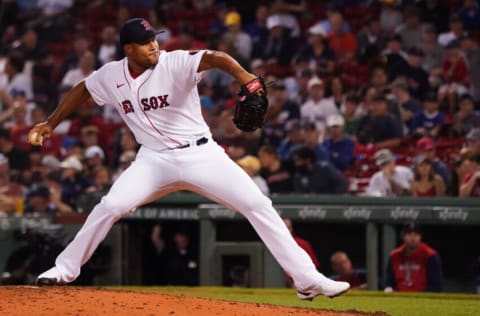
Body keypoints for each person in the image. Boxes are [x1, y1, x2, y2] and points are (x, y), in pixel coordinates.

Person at [28, 18, 349, 299]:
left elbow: (215, 57)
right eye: (144, 42)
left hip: (201, 155)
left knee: (258, 205)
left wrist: (246, 77)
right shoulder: (112, 75)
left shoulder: (174, 62)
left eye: (154, 38)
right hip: (153, 161)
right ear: (128, 49)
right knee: (110, 206)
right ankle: (63, 269)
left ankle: (307, 280)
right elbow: (82, 88)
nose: (153, 45)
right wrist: (50, 123)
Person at [385, 222, 443, 292]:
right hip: (399, 298)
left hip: (422, 299)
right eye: (409, 234)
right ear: (403, 236)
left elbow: (436, 286)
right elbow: (388, 282)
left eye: (416, 234)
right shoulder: (395, 255)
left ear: (421, 236)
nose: (413, 238)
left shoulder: (430, 255)